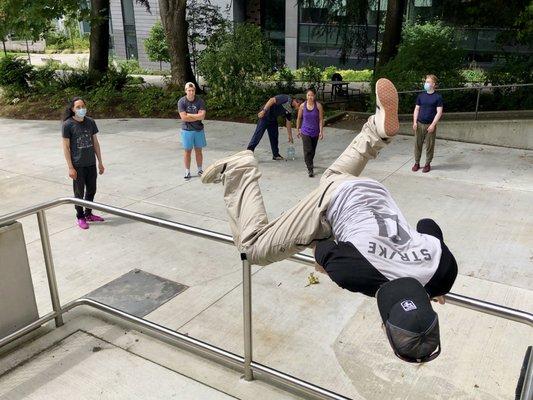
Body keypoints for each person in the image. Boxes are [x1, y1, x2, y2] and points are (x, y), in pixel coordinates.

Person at [202, 78, 457, 363]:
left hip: (373, 193)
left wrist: (431, 289)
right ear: (384, 324)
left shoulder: (444, 271)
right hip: (332, 204)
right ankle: (240, 169)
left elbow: (427, 226)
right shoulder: (358, 275)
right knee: (252, 248)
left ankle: (377, 131)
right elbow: (322, 246)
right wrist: (327, 263)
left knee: (333, 176)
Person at [61, 97, 105, 230]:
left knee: (91, 190)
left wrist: (100, 162)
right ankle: (80, 217)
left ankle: (89, 213)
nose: (81, 109)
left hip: (91, 163)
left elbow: (95, 143)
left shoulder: (90, 122)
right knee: (79, 193)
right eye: (78, 107)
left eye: (83, 106)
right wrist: (70, 167)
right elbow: (66, 147)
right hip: (77, 165)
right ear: (72, 109)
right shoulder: (67, 125)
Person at [247, 94, 303, 160]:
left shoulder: (290, 109)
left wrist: (290, 136)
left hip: (273, 118)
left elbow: (288, 122)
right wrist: (264, 111)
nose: (300, 109)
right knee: (258, 134)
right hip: (265, 115)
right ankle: (249, 152)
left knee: (274, 136)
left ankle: (276, 155)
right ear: (297, 102)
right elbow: (272, 100)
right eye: (301, 106)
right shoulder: (286, 98)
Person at [412, 74, 443, 173]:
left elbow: (439, 112)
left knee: (430, 145)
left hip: (430, 125)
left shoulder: (438, 97)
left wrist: (433, 125)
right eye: (426, 81)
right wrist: (414, 122)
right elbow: (416, 109)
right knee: (417, 144)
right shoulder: (421, 96)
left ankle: (427, 164)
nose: (426, 83)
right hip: (419, 124)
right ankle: (417, 163)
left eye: (428, 82)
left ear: (433, 84)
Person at [178, 82, 206, 180]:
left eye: (192, 90)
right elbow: (184, 118)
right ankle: (187, 171)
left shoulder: (200, 101)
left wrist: (190, 115)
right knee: (187, 151)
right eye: (189, 90)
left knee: (199, 151)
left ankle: (200, 169)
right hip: (187, 130)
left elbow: (202, 116)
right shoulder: (181, 102)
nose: (191, 92)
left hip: (198, 130)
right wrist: (197, 116)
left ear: (195, 91)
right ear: (186, 91)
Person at [296, 88, 324, 177]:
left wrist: (321, 131)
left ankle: (309, 162)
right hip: (305, 131)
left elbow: (320, 119)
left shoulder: (318, 106)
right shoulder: (302, 106)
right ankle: (310, 169)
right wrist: (298, 129)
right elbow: (299, 118)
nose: (310, 97)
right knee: (307, 150)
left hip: (315, 131)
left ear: (314, 96)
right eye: (308, 95)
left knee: (312, 151)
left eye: (312, 95)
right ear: (306, 96)